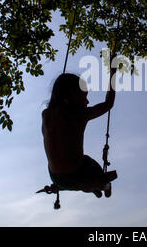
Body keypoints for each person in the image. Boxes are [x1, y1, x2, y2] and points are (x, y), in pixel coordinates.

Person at [42, 64, 117, 198]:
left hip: (56, 177)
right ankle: (98, 184)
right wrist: (113, 73)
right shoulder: (79, 114)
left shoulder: (46, 114)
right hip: (76, 174)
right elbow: (108, 104)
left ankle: (88, 186)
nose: (87, 101)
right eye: (84, 96)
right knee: (90, 164)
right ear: (70, 96)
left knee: (77, 168)